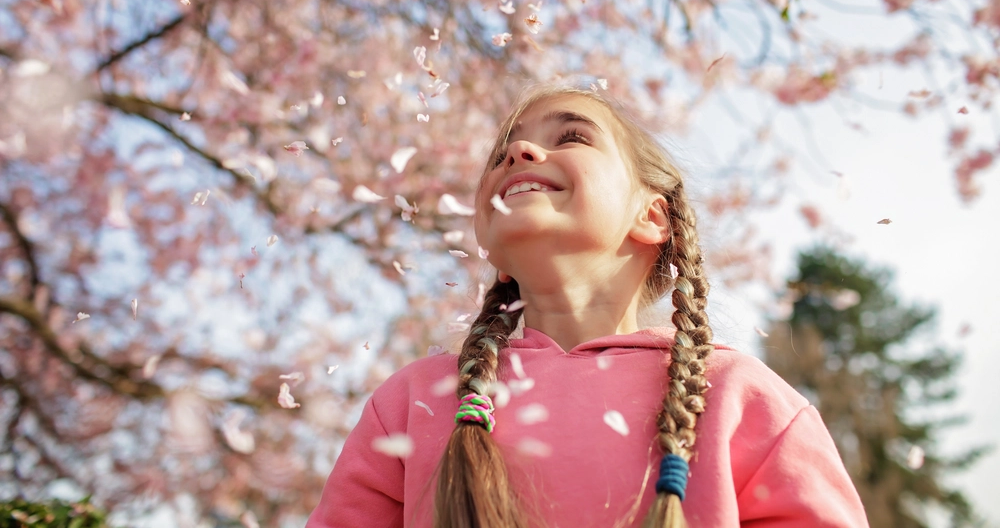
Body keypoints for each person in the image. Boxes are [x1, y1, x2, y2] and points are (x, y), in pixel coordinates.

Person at [306, 85, 869, 528]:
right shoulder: (412, 403)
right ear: (495, 253)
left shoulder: (743, 400)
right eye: (504, 150)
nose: (518, 152)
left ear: (652, 216)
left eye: (572, 136)